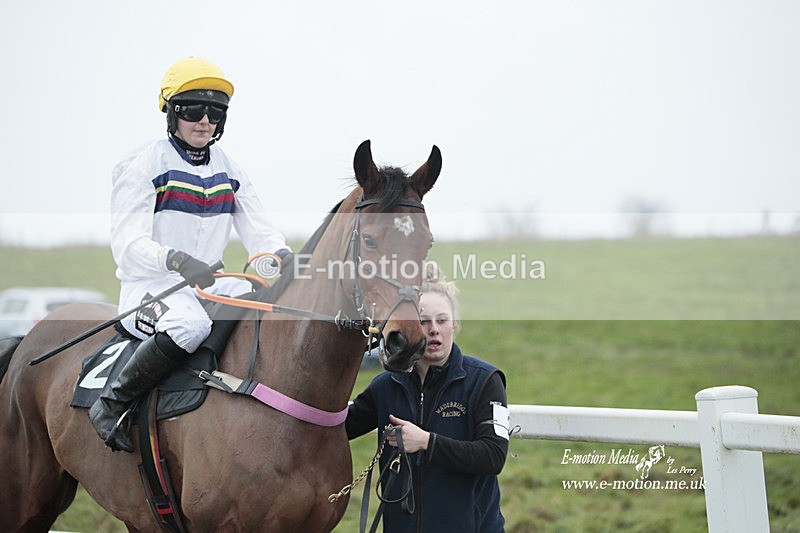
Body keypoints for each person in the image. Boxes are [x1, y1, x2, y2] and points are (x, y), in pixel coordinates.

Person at [89, 56, 291, 453]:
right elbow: (128, 247)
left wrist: (281, 256)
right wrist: (177, 261)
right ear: (171, 114)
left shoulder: (230, 169)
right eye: (193, 110)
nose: (204, 121)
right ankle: (111, 404)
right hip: (150, 288)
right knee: (189, 327)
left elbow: (261, 233)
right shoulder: (143, 165)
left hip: (206, 284)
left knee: (262, 305)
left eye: (215, 112)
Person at [346, 264, 509, 532]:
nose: (434, 330)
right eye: (424, 321)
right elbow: (337, 429)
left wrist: (426, 442)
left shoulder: (485, 380)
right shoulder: (385, 386)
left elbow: (493, 456)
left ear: (454, 325)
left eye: (442, 320)